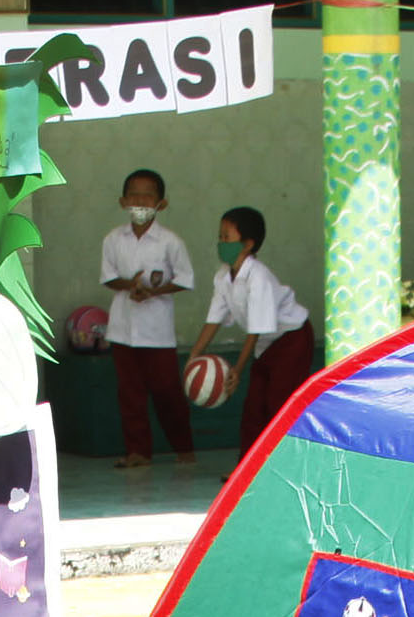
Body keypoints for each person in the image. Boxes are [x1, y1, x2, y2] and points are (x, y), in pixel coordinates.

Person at [185, 207, 315, 453]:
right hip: (266, 345)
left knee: (280, 403)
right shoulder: (223, 276)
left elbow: (255, 330)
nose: (221, 243)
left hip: (292, 340)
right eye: (220, 236)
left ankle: (283, 465)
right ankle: (248, 469)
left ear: (247, 244)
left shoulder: (259, 277)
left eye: (227, 237)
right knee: (254, 406)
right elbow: (214, 318)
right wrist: (194, 355)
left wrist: (238, 369)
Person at [100, 169, 195, 470]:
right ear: (123, 201)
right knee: (130, 395)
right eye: (134, 195)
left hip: (157, 331)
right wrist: (132, 286)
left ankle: (184, 448)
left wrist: (153, 292)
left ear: (161, 203)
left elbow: (185, 279)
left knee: (167, 392)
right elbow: (109, 278)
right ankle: (137, 452)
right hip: (123, 330)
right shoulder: (113, 239)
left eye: (147, 195)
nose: (140, 201)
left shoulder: (170, 242)